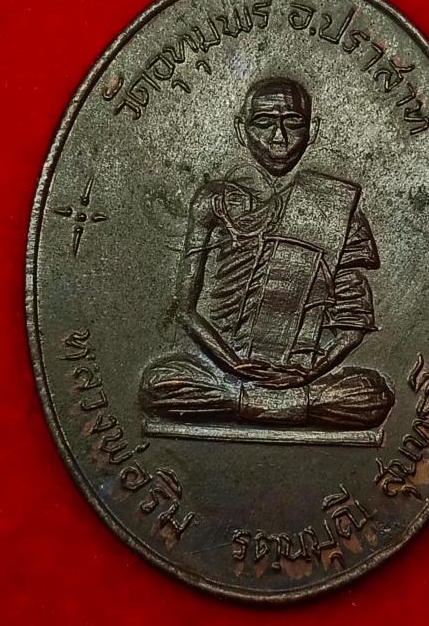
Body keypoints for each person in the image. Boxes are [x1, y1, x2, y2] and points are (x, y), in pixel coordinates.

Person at [140, 77, 393, 429]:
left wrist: (306, 373)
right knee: (157, 385)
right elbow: (184, 309)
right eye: (264, 123)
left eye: (293, 124)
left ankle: (248, 402)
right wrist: (233, 365)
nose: (279, 137)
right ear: (241, 129)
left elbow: (353, 325)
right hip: (229, 371)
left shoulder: (338, 207)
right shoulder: (214, 200)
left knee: (374, 396)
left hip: (301, 377)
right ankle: (284, 405)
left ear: (313, 130)